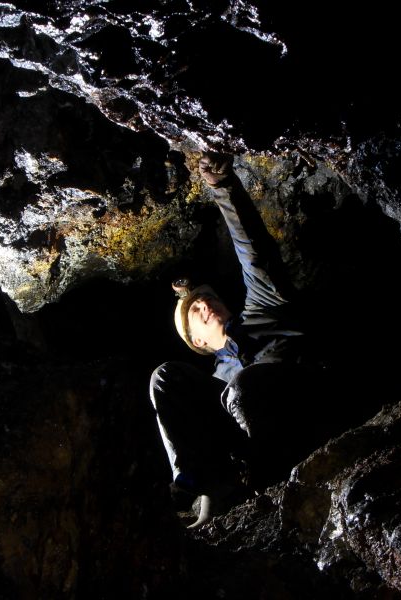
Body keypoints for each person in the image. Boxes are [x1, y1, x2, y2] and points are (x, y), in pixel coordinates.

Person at [149, 153, 317, 528]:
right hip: (250, 443)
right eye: (195, 311)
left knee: (245, 383)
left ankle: (268, 476)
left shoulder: (264, 311)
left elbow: (254, 252)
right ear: (198, 343)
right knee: (165, 376)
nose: (204, 304)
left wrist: (223, 188)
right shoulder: (217, 378)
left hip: (305, 402)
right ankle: (198, 484)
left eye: (208, 299)